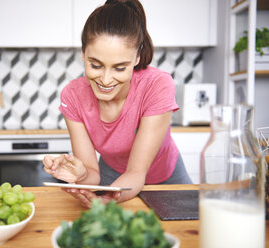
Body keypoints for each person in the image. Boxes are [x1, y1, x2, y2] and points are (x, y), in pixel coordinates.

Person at [43, 0, 192, 208]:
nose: (105, 80)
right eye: (95, 65)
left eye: (120, 68)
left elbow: (136, 173)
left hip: (166, 178)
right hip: (112, 175)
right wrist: (81, 174)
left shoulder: (157, 86)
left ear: (137, 57)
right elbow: (92, 175)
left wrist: (105, 198)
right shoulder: (73, 96)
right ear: (83, 53)